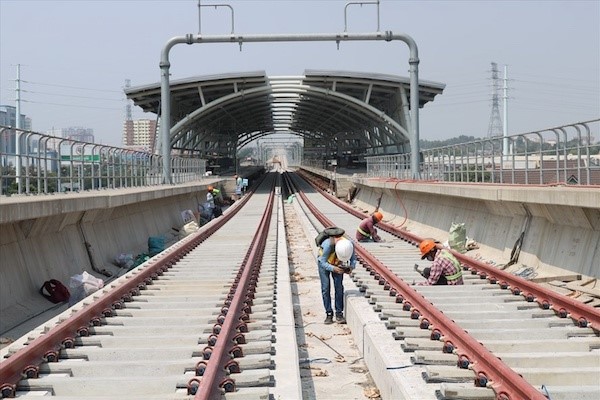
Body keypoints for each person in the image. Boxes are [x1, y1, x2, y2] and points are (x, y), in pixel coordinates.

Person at [317, 231, 357, 324]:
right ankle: (329, 313)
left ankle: (339, 313)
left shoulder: (349, 245)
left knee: (339, 287)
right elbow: (322, 262)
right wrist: (333, 268)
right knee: (325, 288)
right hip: (325, 263)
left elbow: (353, 259)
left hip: (337, 263)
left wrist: (351, 267)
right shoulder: (327, 245)